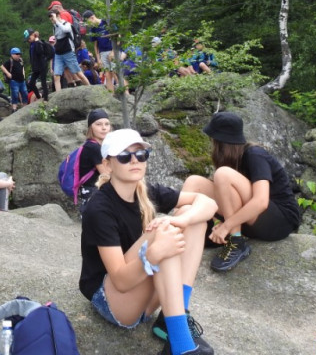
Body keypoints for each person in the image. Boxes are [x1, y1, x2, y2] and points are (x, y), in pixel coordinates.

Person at [80, 129, 218, 355]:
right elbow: (121, 281)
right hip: (112, 301)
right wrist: (152, 254)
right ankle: (182, 347)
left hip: (143, 297)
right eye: (124, 156)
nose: (134, 160)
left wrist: (182, 220)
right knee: (163, 231)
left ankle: (174, 319)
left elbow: (207, 203)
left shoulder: (146, 191)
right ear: (107, 165)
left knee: (190, 218)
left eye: (141, 154)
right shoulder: (100, 208)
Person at [184, 112, 301, 272]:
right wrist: (217, 222)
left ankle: (236, 242)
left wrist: (227, 226)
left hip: (280, 221)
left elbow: (261, 202)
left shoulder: (255, 154)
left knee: (222, 174)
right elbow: (225, 196)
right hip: (249, 219)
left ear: (219, 141)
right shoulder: (232, 158)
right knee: (193, 182)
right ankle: (181, 234)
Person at [76, 109, 111, 214]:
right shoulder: (93, 147)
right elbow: (106, 174)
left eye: (107, 124)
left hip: (92, 192)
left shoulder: (96, 145)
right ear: (91, 127)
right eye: (99, 124)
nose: (104, 128)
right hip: (93, 193)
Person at [49, 8, 90, 91]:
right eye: (51, 20)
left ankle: (90, 88)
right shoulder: (55, 27)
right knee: (56, 76)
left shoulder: (66, 24)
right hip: (58, 54)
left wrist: (57, 20)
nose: (52, 21)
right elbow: (56, 37)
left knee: (78, 73)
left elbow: (66, 30)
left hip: (68, 52)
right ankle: (58, 95)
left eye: (52, 19)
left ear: (58, 16)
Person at [84, 10, 118, 92]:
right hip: (102, 52)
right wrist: (98, 59)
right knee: (107, 74)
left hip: (112, 50)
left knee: (115, 72)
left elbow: (117, 36)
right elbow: (95, 45)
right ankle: (111, 94)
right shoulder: (93, 29)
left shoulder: (106, 22)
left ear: (92, 17)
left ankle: (125, 92)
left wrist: (113, 51)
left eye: (88, 22)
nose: (88, 25)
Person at [25, 28, 50, 102]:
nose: (28, 40)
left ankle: (46, 98)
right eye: (27, 39)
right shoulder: (31, 44)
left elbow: (40, 52)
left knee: (43, 82)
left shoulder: (38, 43)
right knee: (31, 83)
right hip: (36, 67)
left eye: (29, 38)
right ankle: (39, 97)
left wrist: (37, 42)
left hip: (42, 65)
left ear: (33, 35)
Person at [1, 47, 28, 112]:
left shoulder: (20, 60)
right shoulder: (10, 61)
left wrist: (23, 74)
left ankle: (25, 106)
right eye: (17, 54)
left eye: (19, 54)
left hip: (22, 80)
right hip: (14, 80)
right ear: (12, 54)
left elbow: (22, 67)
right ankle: (14, 108)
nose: (18, 55)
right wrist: (8, 73)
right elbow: (2, 66)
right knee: (15, 94)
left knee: (25, 93)